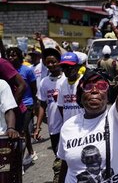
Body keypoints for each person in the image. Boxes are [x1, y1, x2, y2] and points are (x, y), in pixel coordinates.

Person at [57, 18, 118, 183]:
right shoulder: (68, 127)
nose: (94, 89)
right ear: (80, 96)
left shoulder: (116, 118)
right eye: (88, 86)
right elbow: (66, 166)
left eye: (101, 86)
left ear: (108, 95)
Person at [34, 47, 66, 183]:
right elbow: (42, 105)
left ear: (59, 62)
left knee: (65, 159)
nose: (51, 65)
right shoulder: (44, 82)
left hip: (68, 126)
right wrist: (38, 126)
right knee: (58, 155)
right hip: (54, 128)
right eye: (48, 62)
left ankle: (60, 178)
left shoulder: (66, 79)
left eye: (53, 61)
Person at [6, 47, 38, 166]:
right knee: (20, 132)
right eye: (9, 55)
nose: (10, 58)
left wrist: (34, 105)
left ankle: (20, 162)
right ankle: (29, 152)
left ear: (19, 56)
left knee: (24, 132)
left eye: (13, 55)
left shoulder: (27, 70)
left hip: (27, 104)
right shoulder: (7, 71)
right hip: (13, 105)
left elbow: (34, 88)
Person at [57, 52, 84, 122]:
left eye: (70, 67)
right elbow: (60, 106)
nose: (66, 70)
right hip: (68, 125)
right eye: (64, 67)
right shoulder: (61, 84)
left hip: (83, 124)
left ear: (77, 66)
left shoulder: (84, 82)